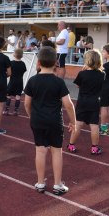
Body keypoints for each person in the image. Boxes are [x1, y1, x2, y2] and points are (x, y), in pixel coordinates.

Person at [23, 46, 76, 195]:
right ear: (56, 63)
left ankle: (40, 183)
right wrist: (73, 121)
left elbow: (27, 103)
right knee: (56, 151)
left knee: (40, 151)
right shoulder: (58, 82)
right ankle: (57, 185)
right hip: (54, 121)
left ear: (38, 62)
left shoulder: (32, 81)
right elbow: (68, 105)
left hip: (37, 120)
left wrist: (31, 116)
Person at [67, 50, 105, 155]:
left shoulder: (82, 73)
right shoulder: (102, 75)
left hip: (82, 102)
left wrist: (84, 71)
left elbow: (78, 85)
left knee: (78, 124)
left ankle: (71, 145)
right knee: (94, 126)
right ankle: (94, 148)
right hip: (95, 102)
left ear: (87, 61)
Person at [5, 48, 27, 116]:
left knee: (8, 95)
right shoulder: (23, 63)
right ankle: (16, 111)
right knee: (18, 96)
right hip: (20, 81)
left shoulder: (11, 63)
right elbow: (23, 71)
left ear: (14, 54)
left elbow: (8, 72)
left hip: (12, 81)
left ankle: (6, 110)